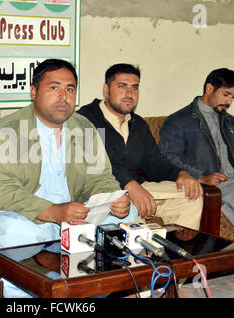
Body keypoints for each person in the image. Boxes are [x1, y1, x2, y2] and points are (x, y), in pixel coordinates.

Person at [0, 59, 136, 296]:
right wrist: (53, 211)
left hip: (74, 213)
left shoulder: (84, 127)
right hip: (26, 216)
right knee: (12, 234)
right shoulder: (7, 129)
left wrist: (113, 198)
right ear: (34, 92)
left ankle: (97, 290)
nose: (63, 96)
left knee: (129, 214)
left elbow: (100, 177)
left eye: (70, 89)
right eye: (54, 87)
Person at [158, 68, 234, 293]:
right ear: (209, 88)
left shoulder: (230, 121)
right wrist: (201, 176)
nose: (229, 101)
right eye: (226, 94)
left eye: (233, 96)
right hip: (217, 185)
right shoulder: (180, 121)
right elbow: (167, 158)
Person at [78, 63, 203, 230]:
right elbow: (95, 166)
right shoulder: (86, 119)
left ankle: (174, 252)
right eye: (122, 86)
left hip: (136, 188)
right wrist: (130, 186)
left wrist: (180, 173)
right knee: (128, 208)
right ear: (106, 90)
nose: (130, 94)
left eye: (135, 88)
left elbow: (154, 161)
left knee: (192, 196)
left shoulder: (138, 124)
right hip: (102, 194)